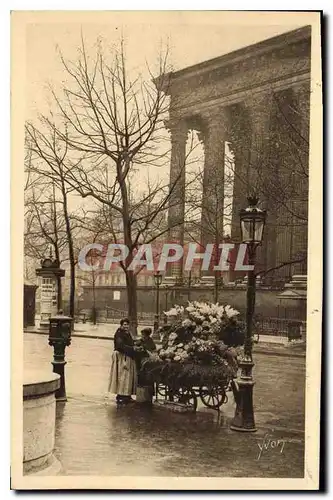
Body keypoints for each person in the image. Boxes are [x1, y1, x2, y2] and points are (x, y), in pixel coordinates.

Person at [107, 318, 141, 405]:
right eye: (124, 324)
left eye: (127, 325)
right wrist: (132, 348)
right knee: (122, 376)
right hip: (122, 356)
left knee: (127, 377)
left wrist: (136, 344)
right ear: (121, 325)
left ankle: (127, 395)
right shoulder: (119, 333)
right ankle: (120, 396)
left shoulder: (126, 333)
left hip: (127, 355)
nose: (126, 326)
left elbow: (129, 343)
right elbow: (120, 345)